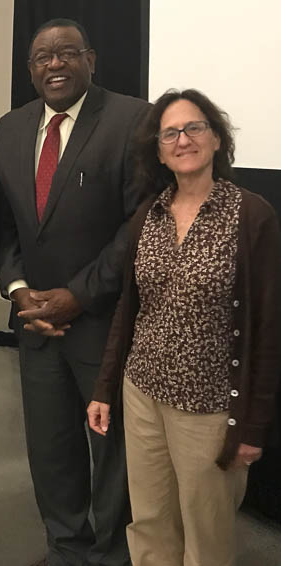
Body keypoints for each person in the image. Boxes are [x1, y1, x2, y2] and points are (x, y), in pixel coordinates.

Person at [87, 89, 281, 566]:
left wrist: (253, 427)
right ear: (158, 150)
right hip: (143, 394)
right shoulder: (146, 218)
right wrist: (105, 388)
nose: (183, 139)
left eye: (194, 127)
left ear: (216, 139)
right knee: (149, 522)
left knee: (206, 533)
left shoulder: (250, 215)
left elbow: (269, 330)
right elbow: (130, 312)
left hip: (210, 409)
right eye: (169, 132)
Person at [0, 18, 150, 566]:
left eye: (66, 53)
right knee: (50, 449)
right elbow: (5, 225)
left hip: (103, 321)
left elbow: (139, 224)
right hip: (35, 323)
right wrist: (17, 292)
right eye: (41, 57)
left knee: (113, 452)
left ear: (91, 59)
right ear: (30, 69)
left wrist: (77, 296)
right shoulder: (10, 129)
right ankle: (66, 548)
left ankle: (112, 555)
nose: (53, 63)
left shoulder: (132, 120)